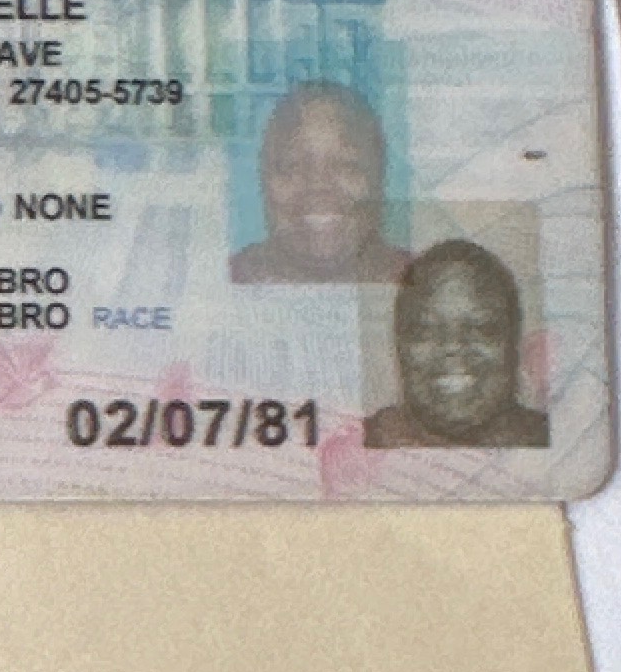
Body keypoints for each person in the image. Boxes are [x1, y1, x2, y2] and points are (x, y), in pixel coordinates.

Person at [364, 238, 552, 448]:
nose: (453, 346)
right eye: (426, 331)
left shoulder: (563, 442)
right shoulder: (360, 442)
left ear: (514, 342)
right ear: (399, 344)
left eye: (482, 328)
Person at [228, 80, 410, 284]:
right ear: (264, 180)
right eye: (293, 166)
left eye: (346, 165)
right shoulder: (219, 281)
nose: (318, 185)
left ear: (378, 177)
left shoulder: (423, 281)